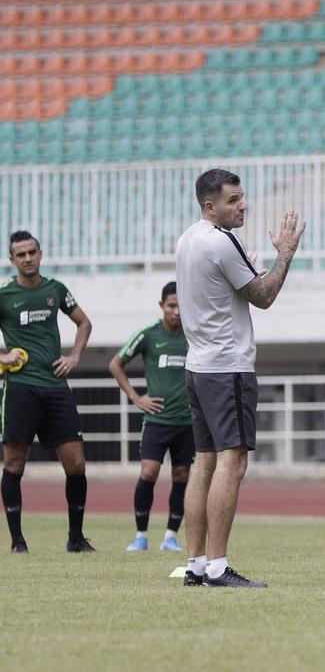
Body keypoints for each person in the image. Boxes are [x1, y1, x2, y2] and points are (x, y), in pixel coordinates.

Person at [176, 168, 305, 588]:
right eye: (233, 200)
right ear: (210, 206)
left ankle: (195, 564)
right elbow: (264, 297)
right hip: (226, 366)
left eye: (242, 197)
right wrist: (285, 254)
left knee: (204, 463)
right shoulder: (222, 242)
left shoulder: (188, 238)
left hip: (197, 365)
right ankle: (217, 567)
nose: (242, 205)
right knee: (233, 462)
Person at [0, 230, 94, 554]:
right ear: (11, 260)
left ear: (41, 254)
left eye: (32, 252)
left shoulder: (56, 290)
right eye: (20, 254)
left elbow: (84, 323)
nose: (27, 258)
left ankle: (76, 539)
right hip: (20, 388)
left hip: (55, 387)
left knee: (77, 465)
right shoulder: (4, 294)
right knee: (14, 465)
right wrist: (2, 357)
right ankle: (17, 541)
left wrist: (75, 357)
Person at [110, 281, 192, 553]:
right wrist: (136, 397)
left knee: (181, 475)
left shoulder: (194, 335)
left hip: (187, 421)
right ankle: (140, 536)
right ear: (162, 306)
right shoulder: (149, 334)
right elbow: (116, 364)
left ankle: (170, 537)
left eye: (181, 305)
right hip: (157, 420)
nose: (177, 311)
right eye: (171, 306)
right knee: (149, 472)